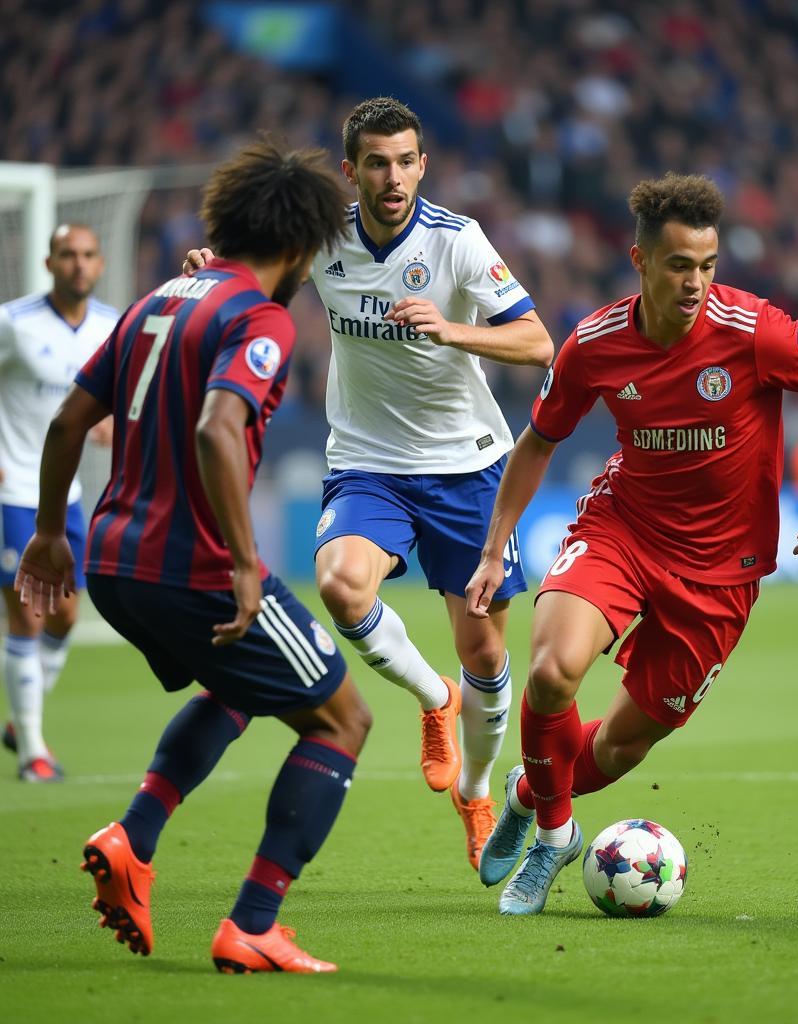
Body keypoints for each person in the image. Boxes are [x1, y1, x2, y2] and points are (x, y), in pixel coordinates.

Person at [465, 173, 798, 915]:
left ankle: (534, 793)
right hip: (623, 530)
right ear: (640, 262)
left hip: (722, 573)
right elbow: (536, 443)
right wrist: (493, 545)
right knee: (550, 672)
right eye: (678, 266)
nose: (695, 282)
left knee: (621, 748)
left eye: (707, 265)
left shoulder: (754, 332)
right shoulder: (594, 345)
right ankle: (555, 836)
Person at [16, 139, 371, 972]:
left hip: (108, 560)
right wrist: (248, 564)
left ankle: (133, 838)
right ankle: (254, 923)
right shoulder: (259, 316)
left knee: (240, 686)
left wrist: (46, 533)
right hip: (194, 566)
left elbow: (69, 421)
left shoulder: (150, 301)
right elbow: (219, 425)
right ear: (298, 244)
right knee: (343, 719)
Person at [185, 96, 554, 871]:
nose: (394, 177)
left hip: (469, 467)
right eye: (378, 164)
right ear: (352, 172)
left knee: (484, 654)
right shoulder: (325, 239)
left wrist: (454, 329)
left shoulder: (458, 243)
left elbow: (537, 340)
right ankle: (433, 699)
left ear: (424, 163)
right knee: (342, 585)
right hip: (368, 462)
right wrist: (209, 278)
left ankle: (478, 790)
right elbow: (250, 281)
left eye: (407, 161)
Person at [0, 224, 117, 782]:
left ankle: (24, 718)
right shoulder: (13, 323)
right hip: (11, 491)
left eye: (87, 255)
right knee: (26, 611)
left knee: (66, 613)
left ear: (100, 263)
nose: (78, 264)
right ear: (48, 262)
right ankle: (33, 754)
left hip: (64, 495)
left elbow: (117, 395)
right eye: (67, 255)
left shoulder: (111, 326)